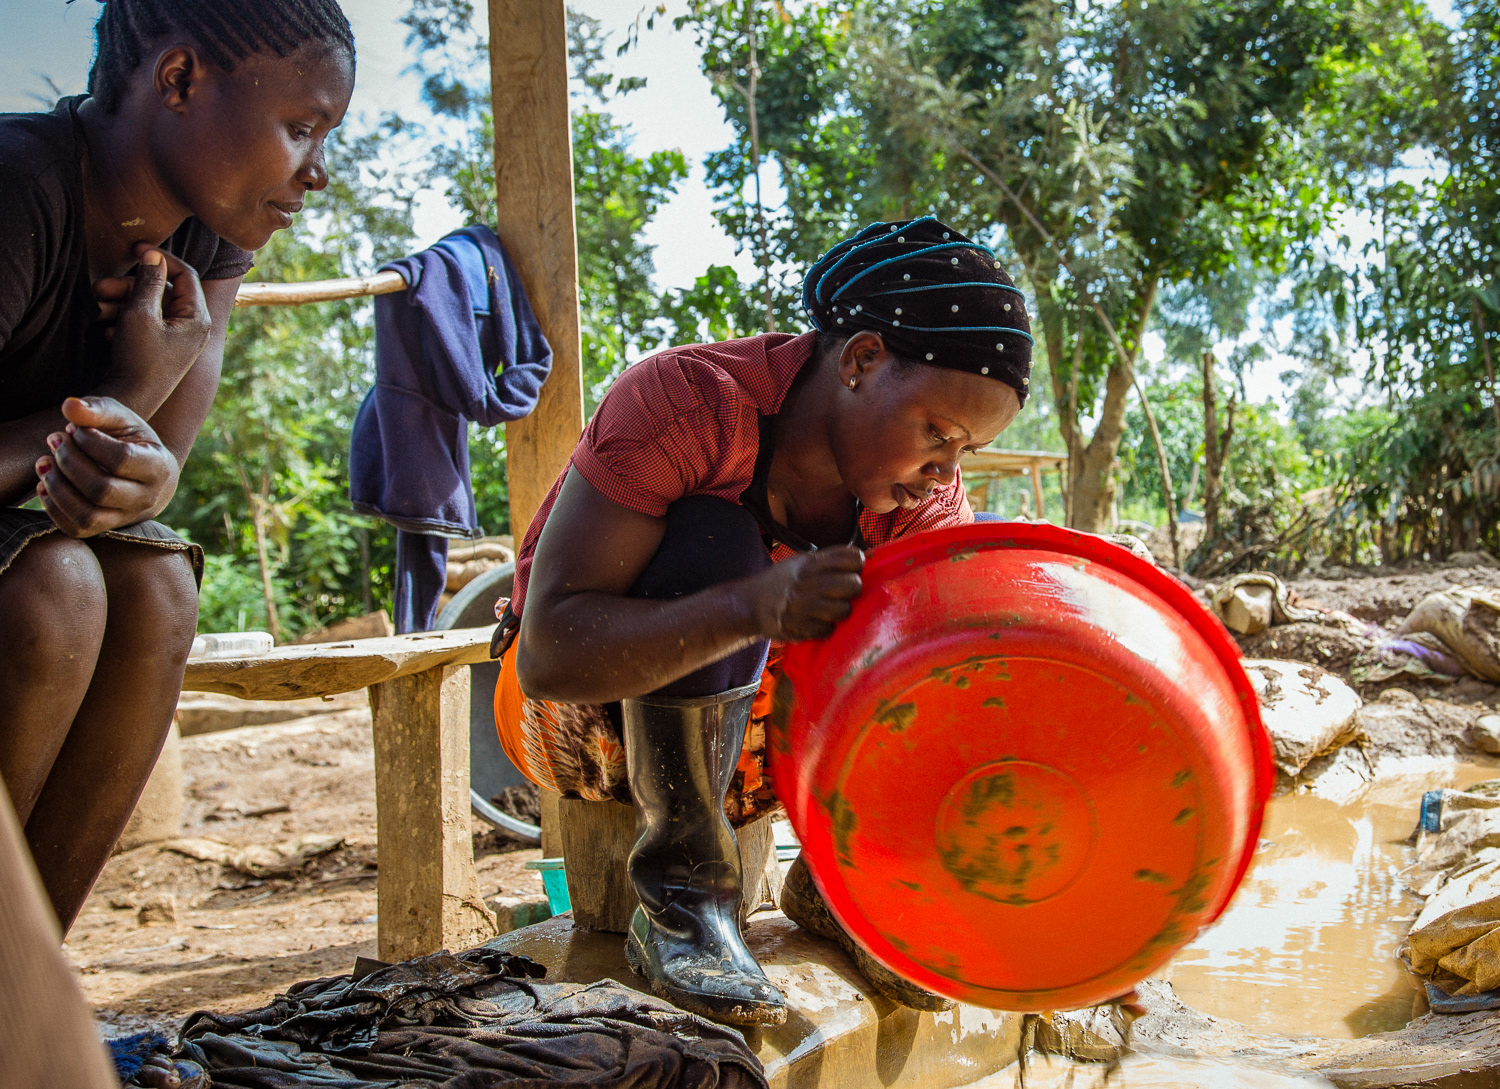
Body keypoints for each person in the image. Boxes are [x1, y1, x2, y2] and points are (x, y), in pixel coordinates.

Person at [493, 217, 1034, 1026]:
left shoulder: (918, 506)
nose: (942, 473)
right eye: (937, 435)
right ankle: (682, 907)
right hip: (584, 724)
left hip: (760, 754)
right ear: (861, 360)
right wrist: (751, 606)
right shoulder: (687, 405)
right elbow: (548, 655)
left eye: (965, 451)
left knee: (934, 627)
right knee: (718, 538)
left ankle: (842, 883)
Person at [0, 0, 355, 935]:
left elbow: (153, 473)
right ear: (180, 80)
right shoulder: (19, 188)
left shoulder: (210, 238)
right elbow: (124, 426)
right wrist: (123, 388)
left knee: (159, 585)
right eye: (301, 127)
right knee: (56, 589)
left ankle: (26, 984)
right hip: (29, 576)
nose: (318, 171)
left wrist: (131, 453)